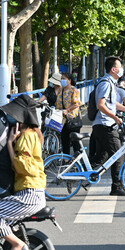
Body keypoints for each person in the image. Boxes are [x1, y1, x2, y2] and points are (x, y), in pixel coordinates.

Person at [0, 95, 46, 250]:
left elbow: (22, 167)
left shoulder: (26, 136)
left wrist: (9, 143)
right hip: (31, 192)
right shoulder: (33, 134)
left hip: (29, 194)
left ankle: (17, 244)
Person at [92, 56, 125, 196]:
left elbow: (112, 104)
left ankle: (77, 173)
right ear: (113, 69)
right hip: (105, 125)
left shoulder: (111, 83)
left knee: (101, 157)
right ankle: (116, 187)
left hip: (102, 125)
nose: (122, 70)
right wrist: (115, 118)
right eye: (120, 67)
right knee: (118, 155)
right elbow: (100, 105)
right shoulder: (106, 83)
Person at [55, 72, 82, 155]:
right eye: (61, 79)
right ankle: (66, 159)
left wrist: (67, 110)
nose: (62, 80)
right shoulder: (60, 90)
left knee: (75, 141)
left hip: (72, 119)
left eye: (64, 78)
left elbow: (76, 103)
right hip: (63, 120)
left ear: (69, 80)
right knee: (64, 140)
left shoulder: (74, 90)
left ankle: (78, 160)